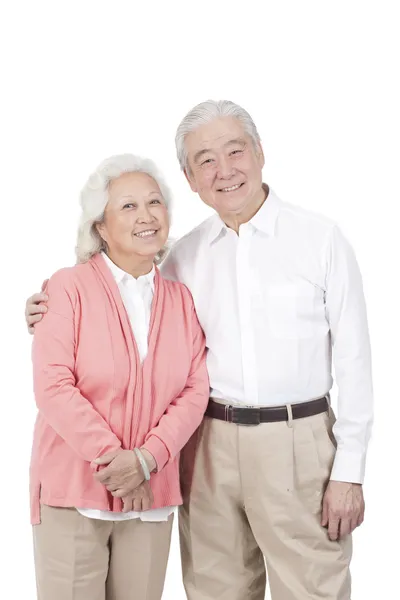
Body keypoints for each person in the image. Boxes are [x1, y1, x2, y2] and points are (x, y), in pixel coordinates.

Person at [26, 101, 373, 600]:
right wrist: (44, 307)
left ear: (260, 153)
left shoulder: (320, 240)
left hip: (296, 444)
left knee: (312, 588)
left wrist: (351, 472)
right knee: (215, 589)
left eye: (235, 151)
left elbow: (356, 361)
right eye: (205, 160)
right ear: (190, 178)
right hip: (206, 443)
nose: (224, 169)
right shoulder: (183, 256)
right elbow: (122, 301)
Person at [28, 153, 209, 600]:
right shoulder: (67, 287)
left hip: (153, 493)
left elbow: (194, 389)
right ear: (100, 227)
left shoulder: (181, 297)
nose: (146, 216)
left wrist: (146, 461)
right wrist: (117, 464)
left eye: (155, 203)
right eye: (128, 206)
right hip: (74, 492)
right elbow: (53, 386)